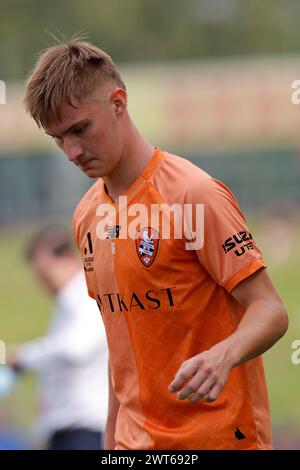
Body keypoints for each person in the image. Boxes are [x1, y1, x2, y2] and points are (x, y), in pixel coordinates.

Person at [23, 40, 288, 450]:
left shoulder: (193, 194)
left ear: (118, 103)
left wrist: (224, 354)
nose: (71, 151)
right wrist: (110, 441)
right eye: (58, 139)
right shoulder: (87, 217)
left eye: (79, 129)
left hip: (220, 439)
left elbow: (270, 310)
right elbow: (120, 346)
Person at [7, 225, 108, 450]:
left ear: (65, 258)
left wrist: (22, 356)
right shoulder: (65, 306)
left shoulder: (87, 296)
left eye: (44, 272)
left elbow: (75, 348)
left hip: (87, 428)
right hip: (66, 431)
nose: (42, 282)